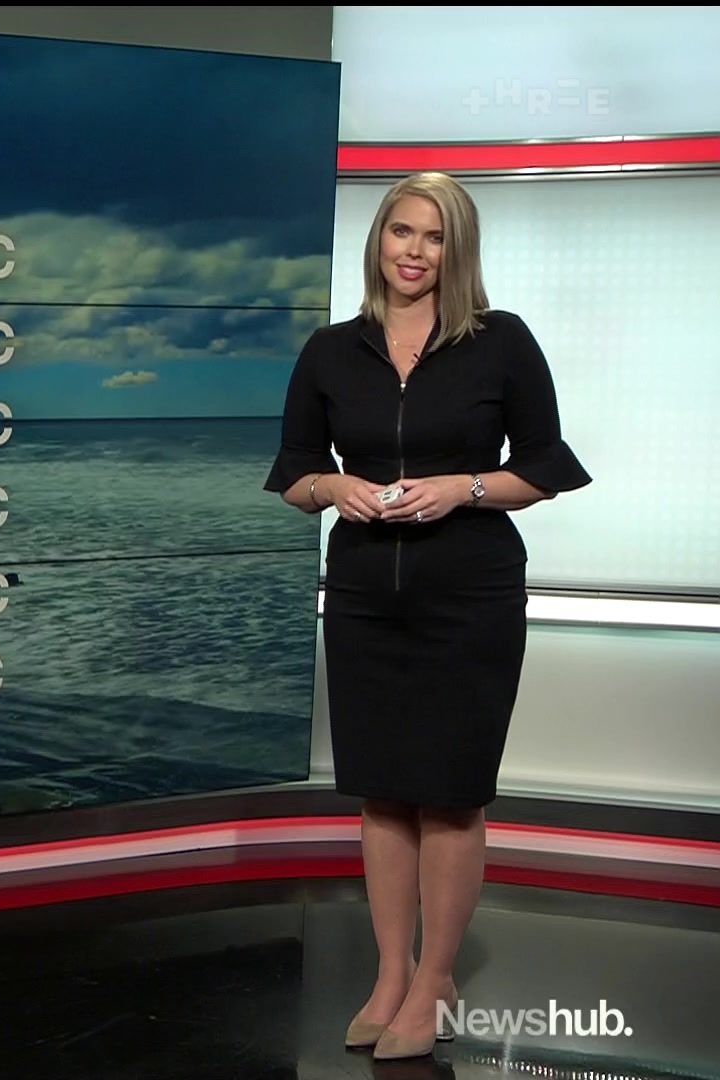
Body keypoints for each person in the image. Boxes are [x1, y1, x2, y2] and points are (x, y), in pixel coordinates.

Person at [263, 172, 590, 1060]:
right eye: (401, 231)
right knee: (382, 791)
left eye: (434, 237)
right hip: (365, 596)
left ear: (458, 251)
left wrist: (464, 488)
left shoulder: (501, 341)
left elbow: (546, 466)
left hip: (470, 596)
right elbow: (293, 472)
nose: (414, 251)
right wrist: (333, 488)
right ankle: (391, 974)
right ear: (379, 239)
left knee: (449, 794)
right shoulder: (331, 351)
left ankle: (437, 978)